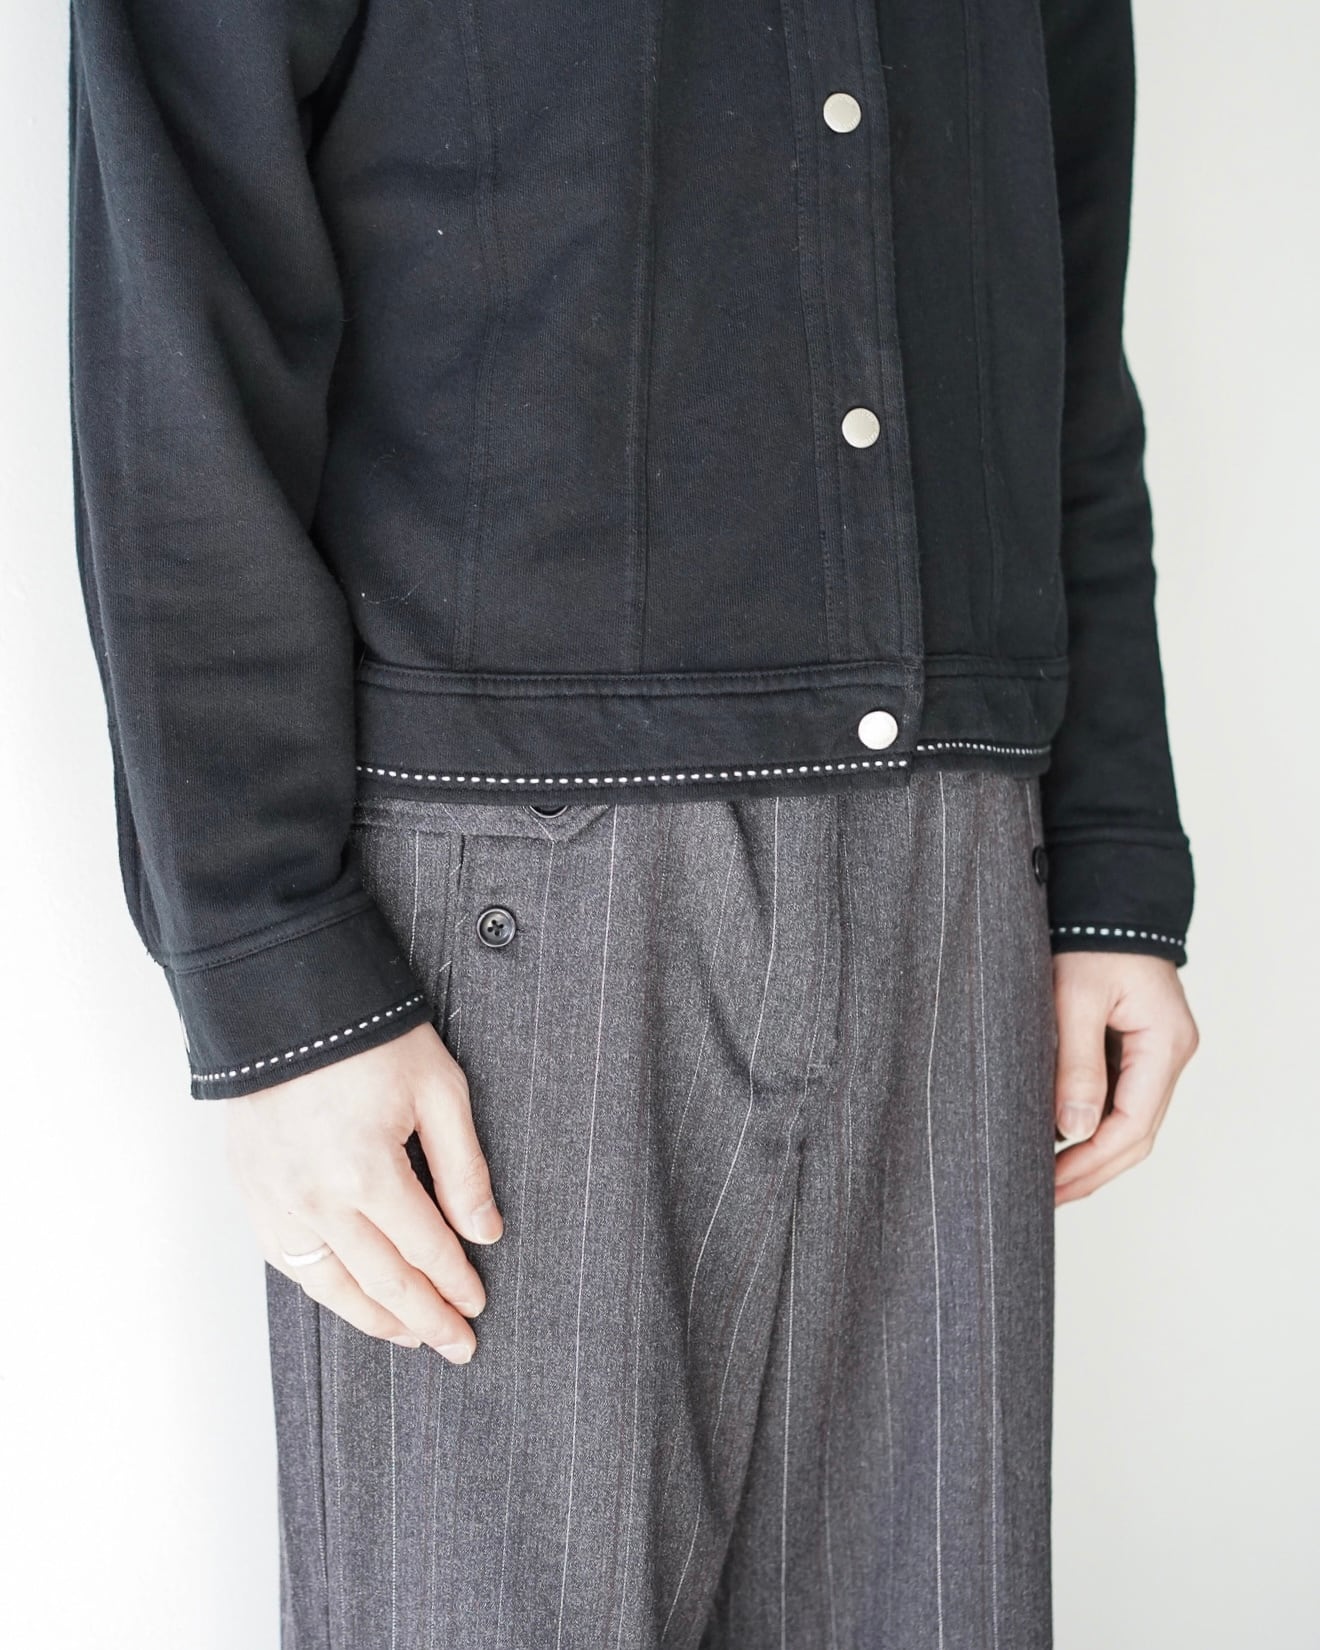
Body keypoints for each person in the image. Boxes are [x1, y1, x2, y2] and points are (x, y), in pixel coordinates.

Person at [66, 0, 1199, 1644]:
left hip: (953, 853)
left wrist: (1108, 857)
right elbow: (178, 304)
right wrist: (269, 960)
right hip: (508, 909)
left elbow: (1063, 296)